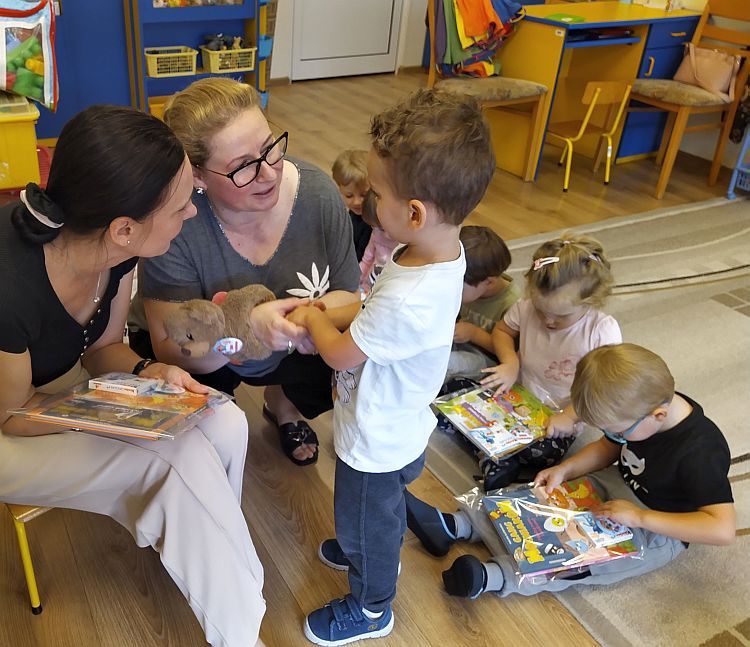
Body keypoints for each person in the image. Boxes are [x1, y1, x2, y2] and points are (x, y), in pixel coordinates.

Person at [0, 105, 266, 647]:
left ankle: (215, 572)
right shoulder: (11, 289)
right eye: (180, 204)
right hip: (11, 425)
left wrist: (153, 371)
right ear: (124, 228)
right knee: (173, 455)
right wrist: (110, 415)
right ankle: (240, 629)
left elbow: (102, 350)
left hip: (57, 389)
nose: (192, 210)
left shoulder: (115, 252)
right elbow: (14, 414)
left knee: (224, 421)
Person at [287, 87, 496, 645]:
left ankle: (372, 604)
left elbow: (339, 352)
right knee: (378, 506)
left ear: (415, 211)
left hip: (377, 436)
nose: (369, 203)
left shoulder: (411, 294)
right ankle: (383, 533)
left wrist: (312, 318)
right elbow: (373, 304)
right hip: (400, 418)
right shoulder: (431, 252)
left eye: (377, 194)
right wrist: (339, 308)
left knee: (365, 521)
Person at [139, 77, 361, 466]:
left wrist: (297, 322)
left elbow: (348, 296)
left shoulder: (317, 194)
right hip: (210, 359)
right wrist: (243, 333)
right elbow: (173, 348)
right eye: (243, 167)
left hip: (298, 352)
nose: (270, 173)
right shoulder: (176, 222)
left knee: (341, 354)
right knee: (194, 425)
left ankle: (284, 401)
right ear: (197, 176)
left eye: (270, 148)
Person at [404, 343, 736, 599]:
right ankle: (456, 525)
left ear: (658, 416)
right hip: (616, 483)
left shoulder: (700, 452)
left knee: (583, 554)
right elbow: (608, 448)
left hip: (659, 526)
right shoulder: (645, 408)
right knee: (542, 498)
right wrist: (565, 469)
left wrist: (639, 518)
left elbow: (721, 529)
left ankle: (493, 576)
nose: (614, 436)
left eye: (618, 430)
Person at [475, 233, 622, 490]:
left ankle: (494, 455)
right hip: (515, 394)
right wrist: (510, 362)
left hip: (557, 415)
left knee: (544, 452)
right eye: (541, 311)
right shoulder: (526, 306)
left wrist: (569, 416)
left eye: (561, 315)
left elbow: (603, 389)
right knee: (462, 394)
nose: (548, 321)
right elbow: (502, 331)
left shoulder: (601, 331)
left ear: (591, 301)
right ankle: (497, 453)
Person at [445, 225, 520, 381]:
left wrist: (473, 334)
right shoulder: (474, 285)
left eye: (459, 286)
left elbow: (511, 355)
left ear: (489, 282)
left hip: (486, 359)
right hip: (459, 343)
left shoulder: (513, 303)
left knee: (446, 363)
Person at [332, 149, 372, 262]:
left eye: (364, 195)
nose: (357, 202)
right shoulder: (351, 214)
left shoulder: (372, 223)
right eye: (349, 196)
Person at [357, 189, 399, 295]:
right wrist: (356, 278)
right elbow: (366, 259)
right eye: (374, 227)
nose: (385, 235)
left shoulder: (402, 244)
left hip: (386, 291)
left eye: (384, 228)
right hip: (368, 286)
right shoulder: (376, 234)